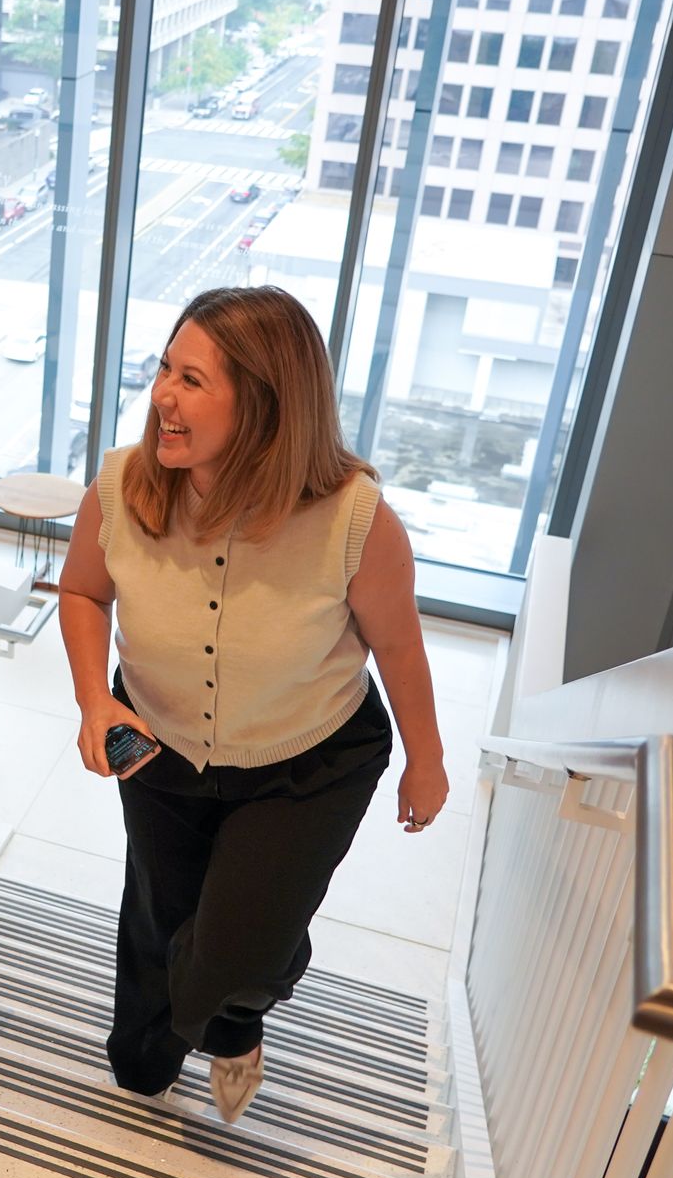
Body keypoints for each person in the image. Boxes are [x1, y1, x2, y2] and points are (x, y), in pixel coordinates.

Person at [56, 286, 447, 1123]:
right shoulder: (124, 485)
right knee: (162, 933)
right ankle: (166, 1042)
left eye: (191, 380)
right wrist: (95, 701)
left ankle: (235, 1019)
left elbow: (400, 645)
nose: (162, 394)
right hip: (156, 744)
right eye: (165, 368)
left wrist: (429, 757)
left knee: (236, 957)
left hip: (306, 761)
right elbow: (83, 593)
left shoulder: (354, 518)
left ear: (265, 404)